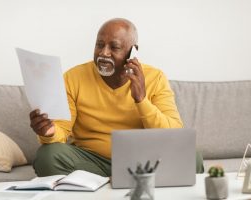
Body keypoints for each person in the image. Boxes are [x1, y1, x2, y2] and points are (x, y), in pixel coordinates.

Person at [30, 18, 203, 177]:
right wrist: (48, 131)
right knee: (47, 156)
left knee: (190, 156)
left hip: (142, 161)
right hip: (90, 162)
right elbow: (61, 131)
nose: (104, 53)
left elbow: (174, 134)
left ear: (132, 51)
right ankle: (123, 181)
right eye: (99, 45)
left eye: (114, 47)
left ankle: (114, 181)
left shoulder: (155, 77)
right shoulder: (73, 77)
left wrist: (141, 100)